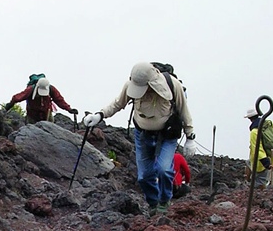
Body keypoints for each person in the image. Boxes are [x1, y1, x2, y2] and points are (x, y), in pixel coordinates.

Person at [83, 61, 196, 215]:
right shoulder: (131, 85)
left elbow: (184, 110)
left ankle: (164, 202)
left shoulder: (173, 85)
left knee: (163, 170)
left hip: (167, 134)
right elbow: (117, 103)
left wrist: (190, 136)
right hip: (143, 134)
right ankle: (153, 204)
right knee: (144, 176)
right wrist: (100, 115)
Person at [4, 74, 78, 124]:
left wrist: (69, 109)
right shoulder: (30, 90)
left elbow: (59, 100)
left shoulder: (51, 89)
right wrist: (10, 105)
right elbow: (17, 97)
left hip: (47, 115)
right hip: (32, 116)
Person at [244, 107, 273, 187]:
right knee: (248, 163)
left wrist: (267, 164)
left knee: (260, 183)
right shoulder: (269, 124)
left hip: (262, 162)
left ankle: (257, 191)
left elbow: (258, 150)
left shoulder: (254, 132)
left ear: (250, 119)